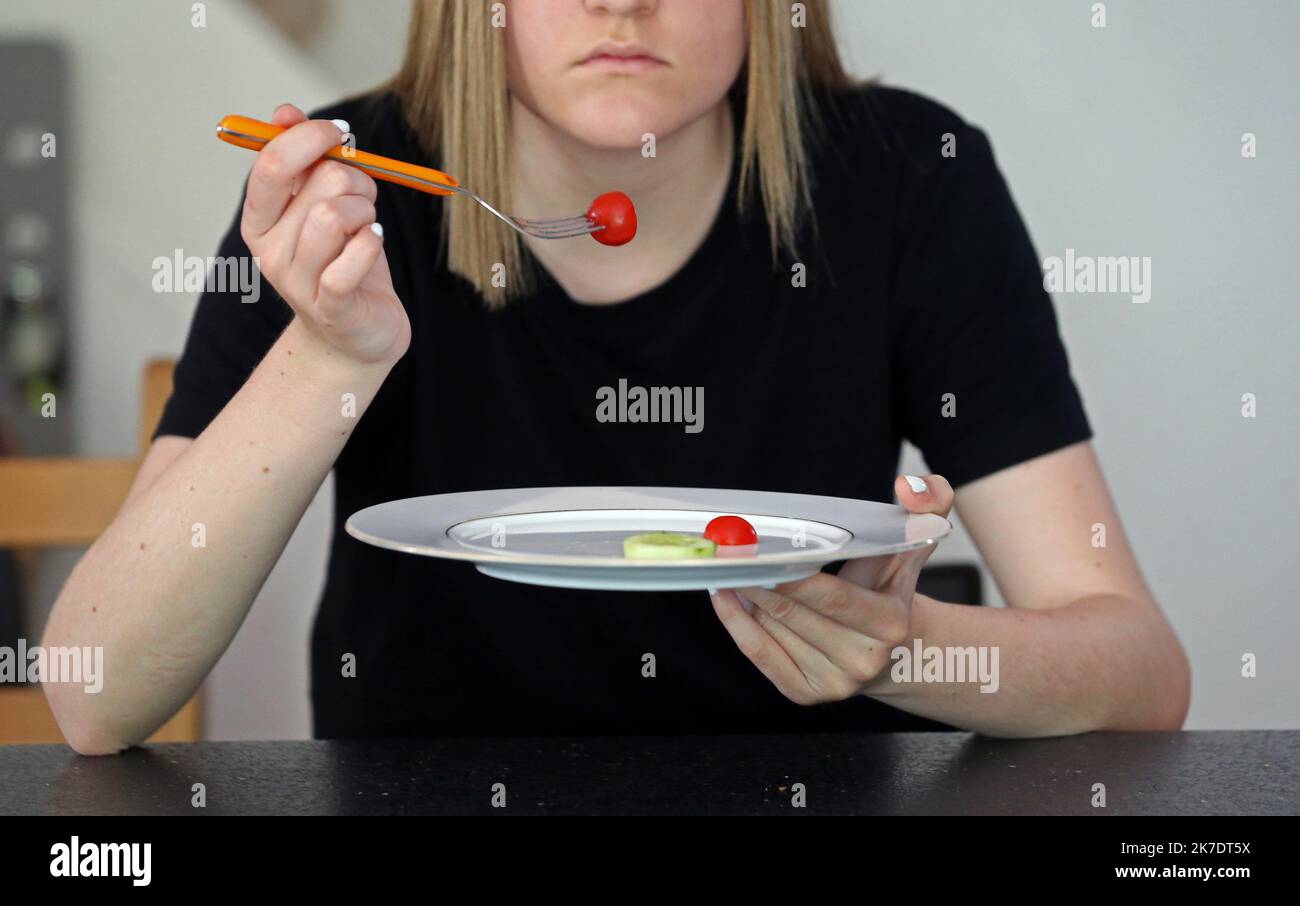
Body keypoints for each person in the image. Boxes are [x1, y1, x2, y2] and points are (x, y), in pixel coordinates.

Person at [43, 0, 1188, 754]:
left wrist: (905, 652)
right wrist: (330, 353)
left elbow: (1139, 672)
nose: (618, 1)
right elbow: (96, 697)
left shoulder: (908, 180)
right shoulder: (340, 198)